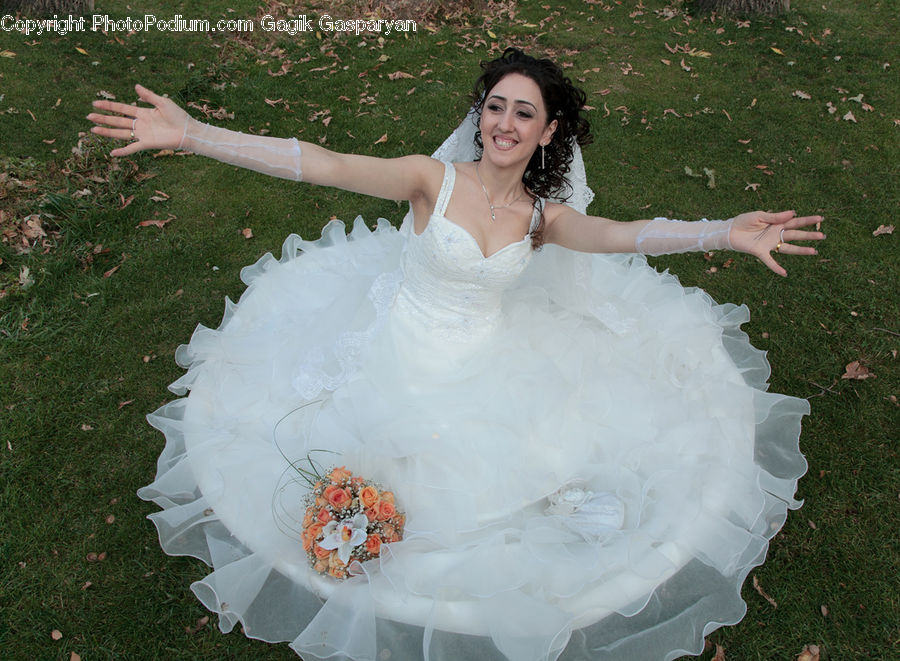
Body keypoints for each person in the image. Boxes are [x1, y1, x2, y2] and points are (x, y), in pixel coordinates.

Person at [88, 48, 823, 661]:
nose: (504, 122)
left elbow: (627, 235)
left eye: (523, 112)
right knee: (389, 463)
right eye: (495, 105)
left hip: (488, 358)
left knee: (510, 466)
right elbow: (318, 161)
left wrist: (723, 232)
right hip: (396, 348)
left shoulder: (545, 218)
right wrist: (195, 135)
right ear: (481, 114)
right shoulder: (429, 180)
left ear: (547, 131)